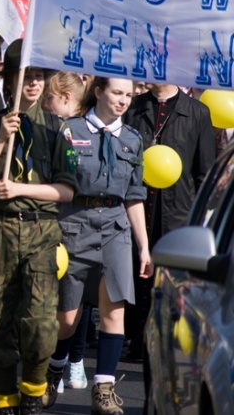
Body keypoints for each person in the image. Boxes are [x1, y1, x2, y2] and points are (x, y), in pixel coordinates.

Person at [0, 39, 78, 415]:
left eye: (37, 77)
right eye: (25, 77)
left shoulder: (57, 129)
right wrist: (1, 138)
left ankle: (33, 392)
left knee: (41, 322)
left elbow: (66, 190)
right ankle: (5, 399)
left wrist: (18, 188)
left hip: (40, 231)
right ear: (9, 83)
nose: (32, 84)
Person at [42, 77, 153, 415]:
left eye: (129, 96)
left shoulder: (133, 140)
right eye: (117, 93)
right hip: (74, 223)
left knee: (114, 310)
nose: (123, 101)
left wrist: (143, 246)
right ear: (99, 92)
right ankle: (52, 373)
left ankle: (103, 390)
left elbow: (134, 197)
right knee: (67, 317)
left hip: (115, 227)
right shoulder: (70, 130)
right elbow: (55, 182)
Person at [122, 83, 216, 403]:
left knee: (168, 287)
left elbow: (204, 172)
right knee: (136, 277)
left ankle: (158, 350)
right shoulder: (133, 107)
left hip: (177, 213)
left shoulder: (197, 112)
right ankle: (134, 336)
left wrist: (201, 219)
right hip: (136, 209)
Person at [42, 71, 91, 395]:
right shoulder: (51, 129)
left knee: (77, 299)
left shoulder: (77, 132)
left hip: (78, 220)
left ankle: (73, 359)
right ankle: (56, 359)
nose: (45, 104)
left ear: (65, 99)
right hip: (55, 219)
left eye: (49, 98)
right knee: (58, 296)